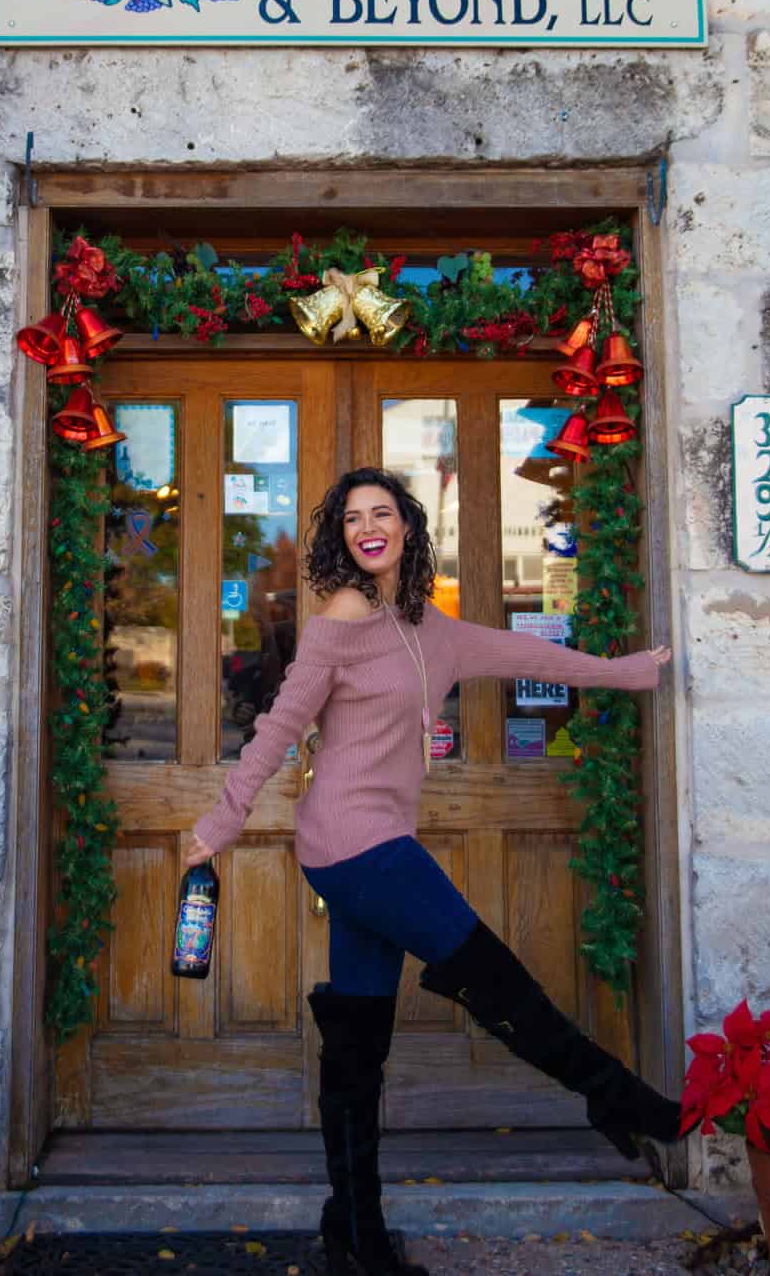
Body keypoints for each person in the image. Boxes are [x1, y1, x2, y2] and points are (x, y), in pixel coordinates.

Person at [188, 467, 680, 1276]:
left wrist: (629, 670)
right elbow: (280, 725)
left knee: (358, 1039)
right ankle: (614, 1094)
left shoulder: (434, 631)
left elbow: (527, 654)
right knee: (492, 973)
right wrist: (222, 821)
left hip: (370, 848)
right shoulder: (338, 622)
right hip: (355, 846)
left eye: (382, 513)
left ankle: (355, 1229)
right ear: (340, 538)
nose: (367, 527)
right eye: (352, 519)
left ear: (408, 528)